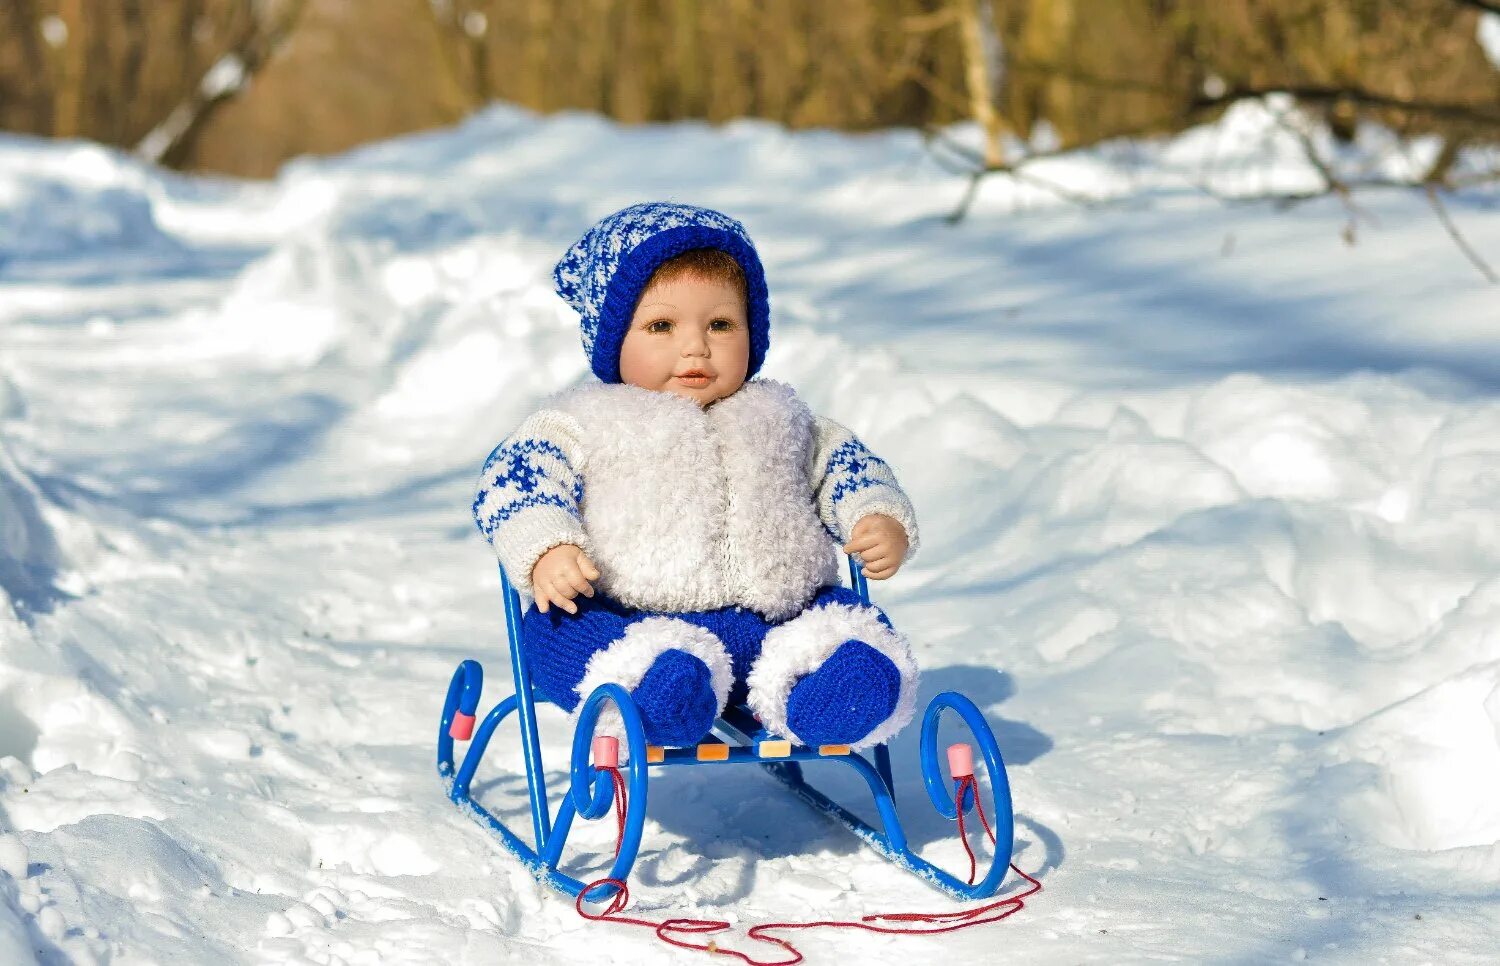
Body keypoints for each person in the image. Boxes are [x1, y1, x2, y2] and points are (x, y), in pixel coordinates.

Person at [472, 201, 920, 752]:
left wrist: (877, 516)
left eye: (721, 324)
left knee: (846, 621)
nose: (695, 346)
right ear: (612, 340)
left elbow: (851, 471)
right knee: (563, 630)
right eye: (661, 325)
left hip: (776, 620)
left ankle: (835, 689)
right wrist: (546, 549)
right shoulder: (584, 422)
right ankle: (654, 692)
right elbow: (513, 485)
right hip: (626, 614)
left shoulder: (784, 419)